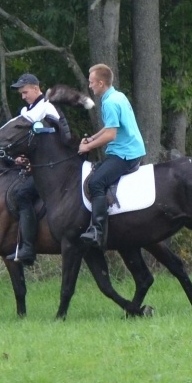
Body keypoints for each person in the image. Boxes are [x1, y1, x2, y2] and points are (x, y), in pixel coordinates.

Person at [77, 64, 147, 248]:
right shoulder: (117, 96)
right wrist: (92, 138)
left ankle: (98, 231)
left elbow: (111, 135)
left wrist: (87, 147)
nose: (90, 86)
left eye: (92, 83)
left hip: (124, 154)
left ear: (101, 83)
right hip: (130, 149)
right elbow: (109, 128)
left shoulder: (109, 103)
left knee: (95, 182)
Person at [7, 72, 61, 264]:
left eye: (25, 92)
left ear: (36, 88)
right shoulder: (29, 110)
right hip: (44, 165)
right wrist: (23, 157)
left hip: (54, 168)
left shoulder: (43, 108)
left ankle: (28, 249)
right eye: (21, 93)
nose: (23, 96)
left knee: (22, 195)